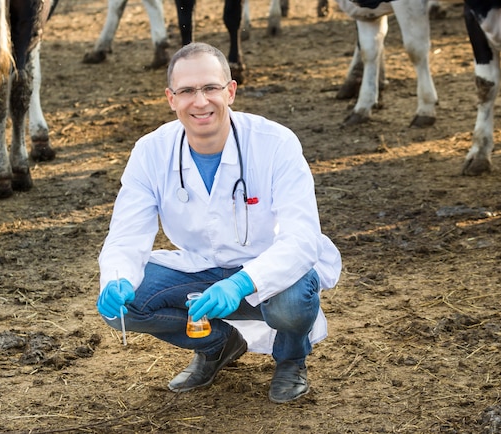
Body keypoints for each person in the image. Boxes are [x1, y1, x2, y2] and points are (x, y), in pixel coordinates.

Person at [97, 42, 341, 403]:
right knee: (126, 306)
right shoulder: (151, 151)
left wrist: (242, 282)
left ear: (230, 91)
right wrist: (116, 277)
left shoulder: (275, 143)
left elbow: (302, 239)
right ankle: (218, 344)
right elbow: (125, 234)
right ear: (171, 98)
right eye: (187, 91)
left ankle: (291, 359)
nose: (200, 102)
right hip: (201, 270)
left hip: (267, 272)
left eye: (211, 88)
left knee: (291, 300)